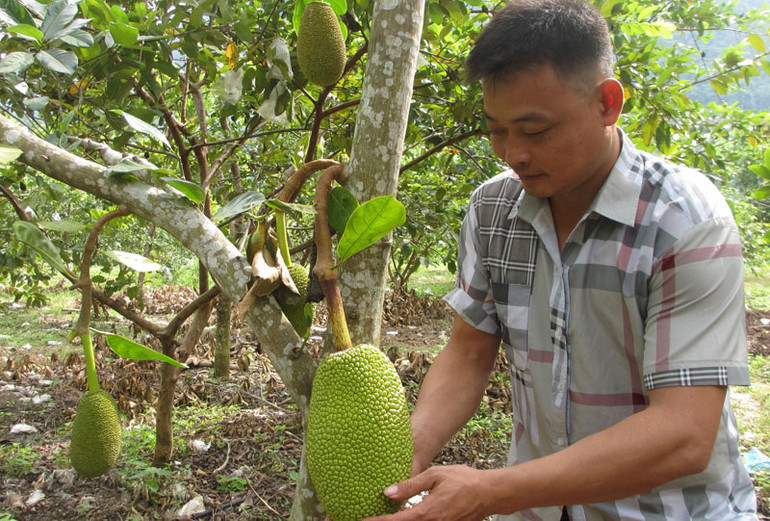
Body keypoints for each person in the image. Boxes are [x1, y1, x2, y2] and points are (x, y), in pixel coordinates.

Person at [366, 0, 758, 520]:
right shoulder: (492, 210)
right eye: (496, 130)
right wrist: (402, 461)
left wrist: (494, 491)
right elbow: (469, 353)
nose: (512, 154)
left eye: (536, 130)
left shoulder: (682, 219)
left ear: (606, 104)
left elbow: (684, 433)